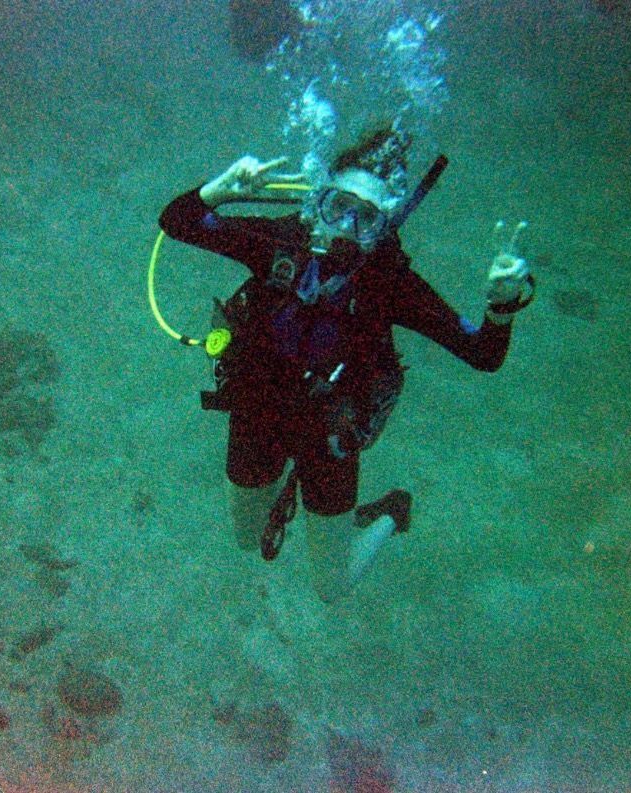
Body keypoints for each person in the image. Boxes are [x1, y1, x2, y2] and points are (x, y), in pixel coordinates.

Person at [158, 126, 534, 603]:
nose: (346, 229)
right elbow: (178, 221)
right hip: (256, 412)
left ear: (385, 225)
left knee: (330, 589)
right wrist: (219, 191)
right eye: (338, 207)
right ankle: (294, 499)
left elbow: (483, 354)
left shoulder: (388, 282)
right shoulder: (279, 242)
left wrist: (501, 305)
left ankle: (390, 513)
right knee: (244, 539)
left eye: (367, 219)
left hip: (331, 440)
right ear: (318, 199)